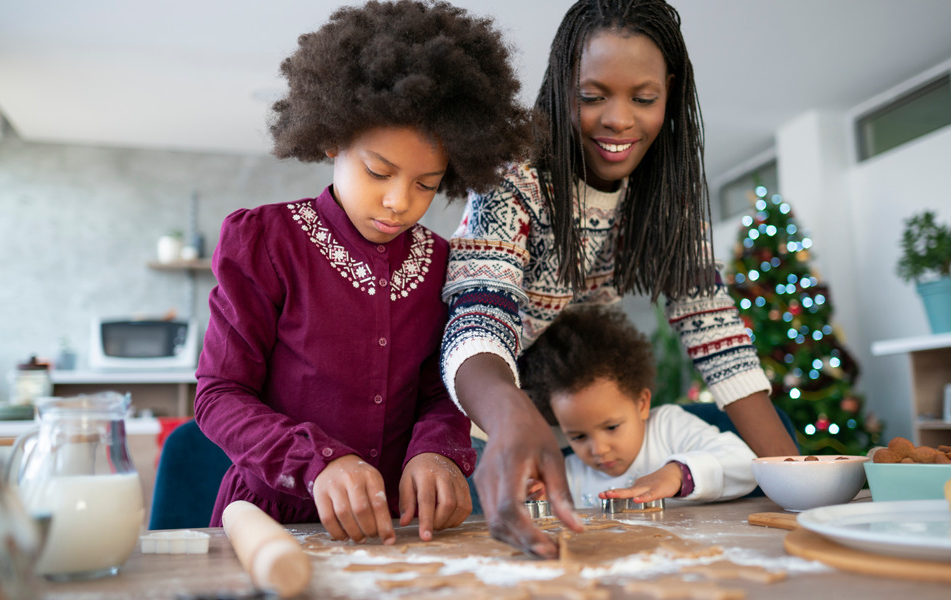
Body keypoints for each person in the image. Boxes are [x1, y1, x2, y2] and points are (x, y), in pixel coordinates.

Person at [440, 0, 799, 557]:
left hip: (552, 418)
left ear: (670, 94)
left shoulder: (667, 196)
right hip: (472, 409)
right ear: (562, 88)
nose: (619, 119)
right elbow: (478, 316)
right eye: (591, 96)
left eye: (644, 98)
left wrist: (796, 480)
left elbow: (713, 328)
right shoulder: (516, 175)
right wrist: (509, 415)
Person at [195, 0, 532, 546]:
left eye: (426, 184)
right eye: (379, 170)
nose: (399, 201)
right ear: (333, 137)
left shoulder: (445, 264)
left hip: (399, 526)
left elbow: (440, 391)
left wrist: (436, 452)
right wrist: (317, 461)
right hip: (272, 524)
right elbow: (220, 395)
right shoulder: (265, 241)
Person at [519, 306, 756, 509]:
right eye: (578, 436)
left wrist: (677, 475)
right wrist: (541, 499)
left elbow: (745, 465)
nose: (598, 449)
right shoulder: (569, 474)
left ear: (641, 404)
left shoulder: (668, 426)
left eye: (611, 427)